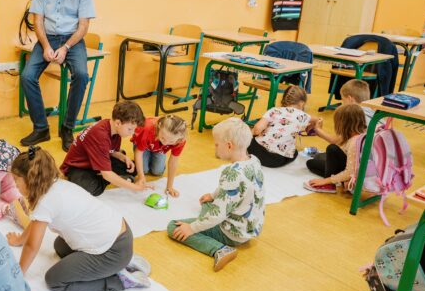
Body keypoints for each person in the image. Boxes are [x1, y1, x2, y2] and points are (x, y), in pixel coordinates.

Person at [8, 147, 151, 291]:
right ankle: (117, 264)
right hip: (121, 236)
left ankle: (120, 280)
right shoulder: (56, 184)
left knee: (55, 280)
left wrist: (18, 274)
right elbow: (36, 221)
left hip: (113, 251)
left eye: (16, 180)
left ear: (30, 179)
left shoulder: (46, 202)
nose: (15, 184)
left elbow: (32, 246)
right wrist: (20, 240)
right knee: (60, 246)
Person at [19, 0, 97, 151]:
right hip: (48, 37)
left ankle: (67, 128)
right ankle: (41, 128)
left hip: (73, 39)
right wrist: (46, 46)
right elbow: (38, 21)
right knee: (27, 76)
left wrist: (66, 47)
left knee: (81, 75)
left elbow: (83, 27)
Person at [166, 117, 264, 272]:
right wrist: (213, 195)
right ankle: (207, 225)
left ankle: (220, 249)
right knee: (208, 204)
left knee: (174, 227)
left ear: (229, 145)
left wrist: (192, 228)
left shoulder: (231, 172)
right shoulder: (254, 161)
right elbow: (240, 187)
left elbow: (218, 214)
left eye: (217, 144)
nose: (215, 147)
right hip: (251, 227)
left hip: (232, 233)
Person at [60, 101, 145, 196]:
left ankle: (110, 175)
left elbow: (110, 150)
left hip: (96, 159)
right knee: (90, 188)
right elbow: (107, 173)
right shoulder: (100, 135)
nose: (132, 133)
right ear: (118, 123)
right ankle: (108, 178)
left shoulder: (114, 128)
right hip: (78, 167)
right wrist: (134, 187)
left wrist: (123, 157)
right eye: (130, 129)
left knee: (131, 168)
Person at [247, 86, 319, 168]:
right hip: (276, 160)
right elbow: (318, 120)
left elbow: (257, 129)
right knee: (294, 152)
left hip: (256, 152)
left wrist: (250, 138)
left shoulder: (274, 110)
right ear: (302, 103)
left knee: (253, 139)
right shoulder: (303, 116)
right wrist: (311, 127)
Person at [305, 103, 368, 194]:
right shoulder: (361, 132)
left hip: (353, 172)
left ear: (343, 124)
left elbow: (350, 171)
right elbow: (335, 141)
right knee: (313, 161)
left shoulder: (354, 142)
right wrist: (318, 130)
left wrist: (326, 181)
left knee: (332, 149)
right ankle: (340, 180)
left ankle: (330, 185)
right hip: (353, 167)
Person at [131, 114, 188, 197]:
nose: (165, 143)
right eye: (163, 138)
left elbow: (173, 161)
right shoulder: (147, 129)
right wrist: (141, 177)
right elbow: (138, 152)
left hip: (158, 148)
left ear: (179, 139)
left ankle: (153, 152)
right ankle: (149, 155)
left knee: (157, 172)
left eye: (171, 141)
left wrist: (169, 186)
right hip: (144, 142)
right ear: (159, 126)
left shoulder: (180, 140)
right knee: (144, 170)